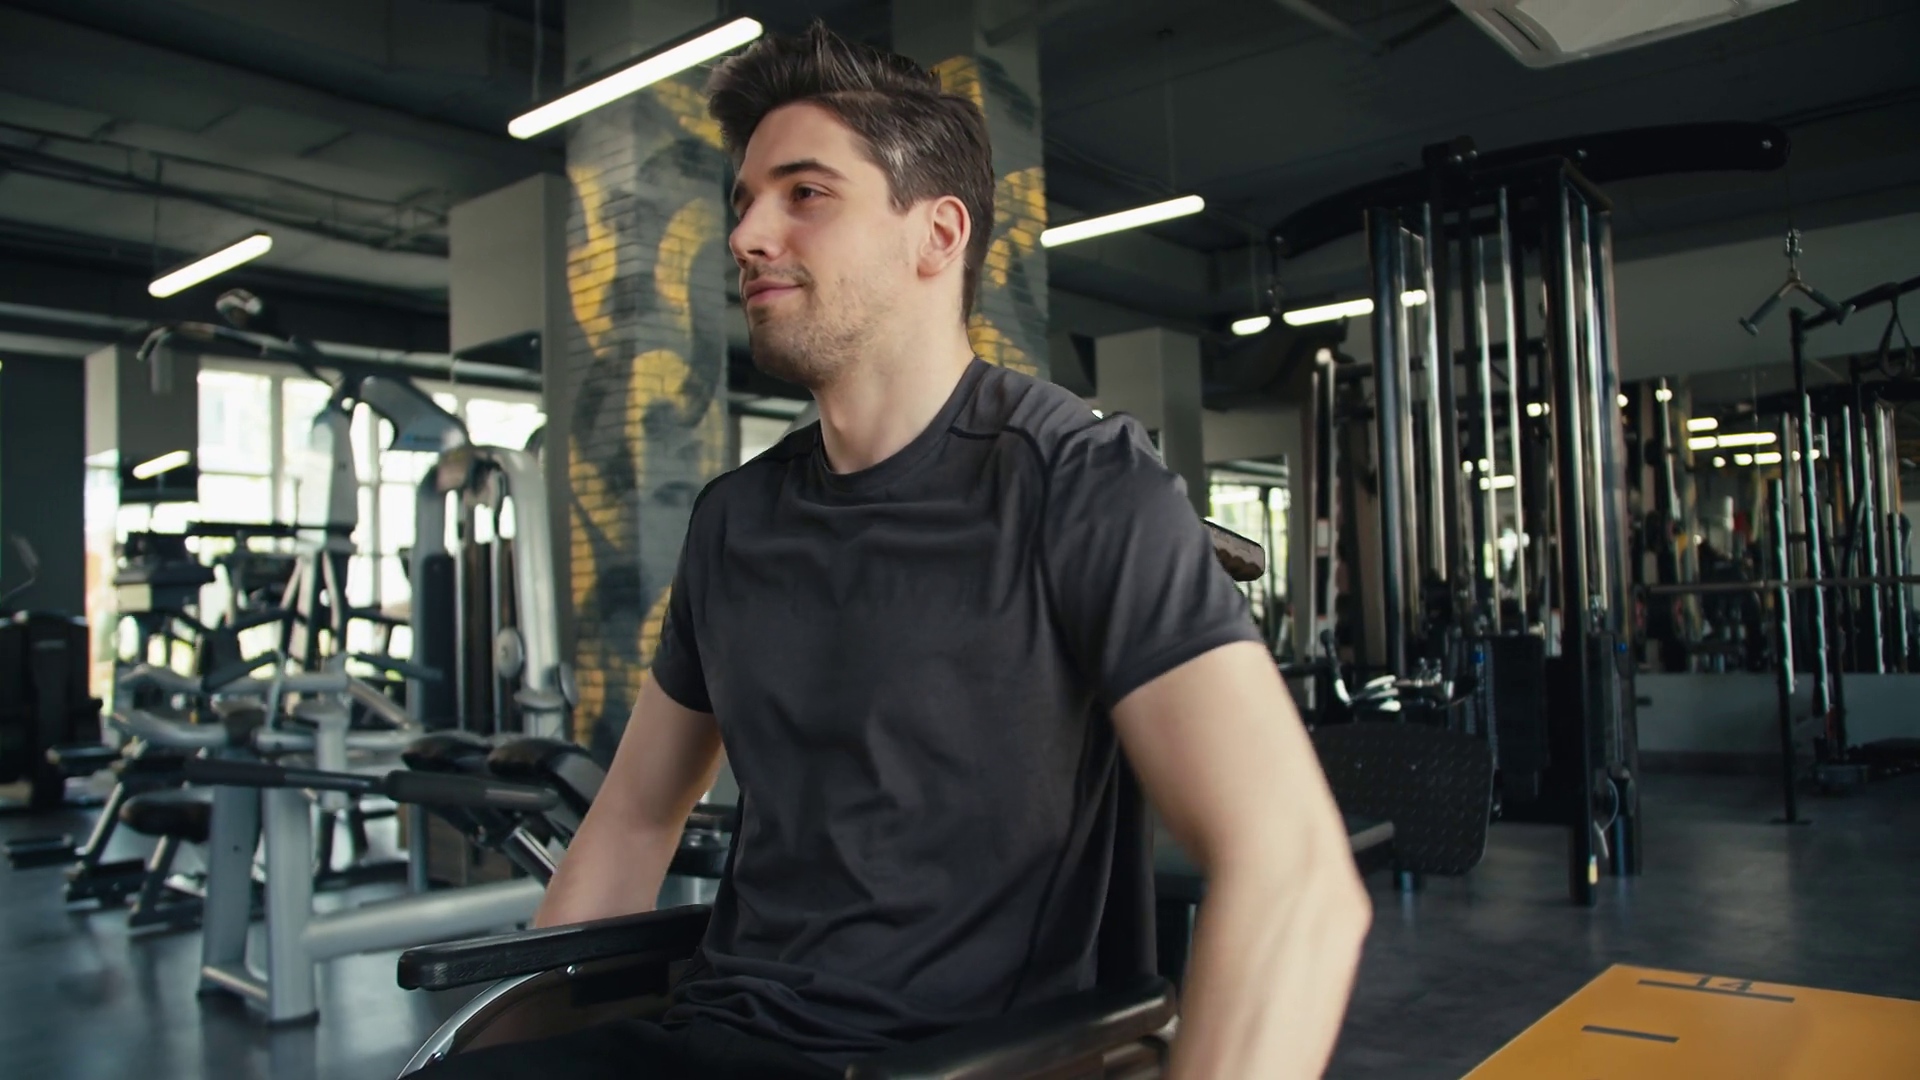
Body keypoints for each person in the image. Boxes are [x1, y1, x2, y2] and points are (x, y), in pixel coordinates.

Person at [417, 22, 1369, 1080]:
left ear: (938, 234)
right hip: (713, 1035)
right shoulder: (735, 519)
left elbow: (1293, 872)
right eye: (743, 202)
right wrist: (542, 1028)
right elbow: (637, 817)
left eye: (805, 193)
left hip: (956, 1063)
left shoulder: (1078, 482)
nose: (747, 234)